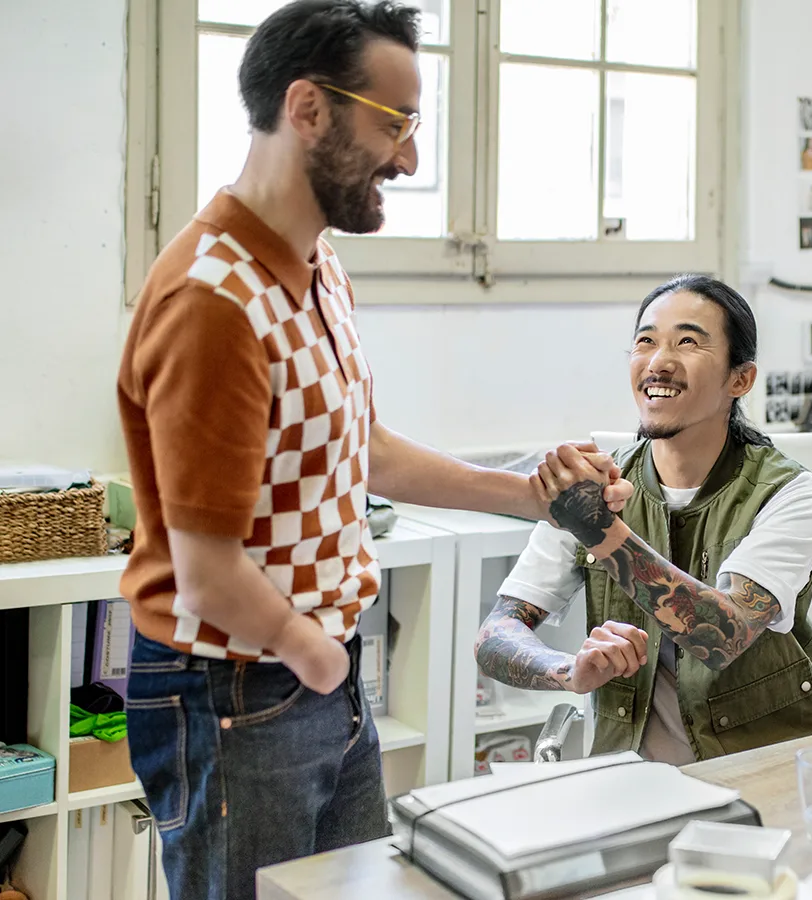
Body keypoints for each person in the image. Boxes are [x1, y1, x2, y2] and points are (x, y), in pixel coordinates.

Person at [115, 3, 631, 897]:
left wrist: (531, 497)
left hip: (318, 675)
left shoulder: (315, 264)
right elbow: (204, 570)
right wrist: (306, 646)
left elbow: (364, 450)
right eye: (393, 124)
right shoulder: (214, 302)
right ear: (308, 108)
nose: (411, 158)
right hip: (239, 687)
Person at [474, 276, 812, 765]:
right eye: (646, 341)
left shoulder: (791, 494)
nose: (658, 362)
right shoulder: (601, 484)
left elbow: (722, 634)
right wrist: (569, 670)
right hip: (630, 779)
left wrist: (599, 529)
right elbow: (496, 634)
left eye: (687, 342)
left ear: (741, 379)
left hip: (762, 768)